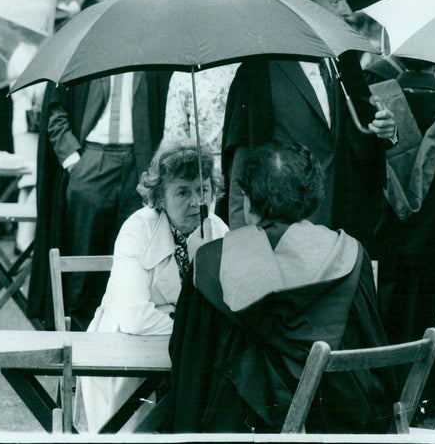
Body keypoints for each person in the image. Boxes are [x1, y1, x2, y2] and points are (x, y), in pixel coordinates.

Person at [159, 142, 398, 433]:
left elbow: (188, 366)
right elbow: (372, 349)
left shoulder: (213, 260)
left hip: (237, 428)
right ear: (312, 197)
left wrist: (206, 258)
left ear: (248, 201)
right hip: (335, 423)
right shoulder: (349, 253)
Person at [27, 0, 173, 330]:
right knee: (81, 262)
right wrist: (74, 159)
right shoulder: (84, 44)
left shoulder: (157, 45)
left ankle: (122, 345)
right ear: (106, 1)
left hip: (140, 165)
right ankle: (73, 346)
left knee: (133, 263)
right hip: (92, 162)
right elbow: (54, 108)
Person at [221, 0, 397, 250]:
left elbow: (361, 138)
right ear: (304, 3)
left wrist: (385, 130)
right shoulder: (260, 70)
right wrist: (243, 244)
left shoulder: (345, 59)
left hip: (342, 231)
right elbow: (242, 161)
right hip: (282, 236)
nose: (347, 10)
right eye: (337, 0)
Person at [74, 143, 228, 433]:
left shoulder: (217, 230)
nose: (197, 201)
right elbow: (134, 317)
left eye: (203, 189)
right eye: (183, 192)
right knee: (134, 428)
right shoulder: (137, 229)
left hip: (186, 357)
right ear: (159, 197)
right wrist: (196, 332)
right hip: (129, 355)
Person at [367, 58, 435, 422]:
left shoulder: (376, 98)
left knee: (387, 316)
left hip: (387, 240)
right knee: (430, 315)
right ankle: (423, 398)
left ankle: (386, 396)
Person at [161, 63, 239, 172]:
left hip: (207, 170)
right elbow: (175, 139)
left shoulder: (183, 75)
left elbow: (174, 140)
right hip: (205, 168)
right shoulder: (183, 76)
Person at [7, 42, 44, 255]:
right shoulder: (24, 52)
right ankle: (24, 239)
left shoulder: (27, 50)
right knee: (33, 178)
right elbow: (29, 88)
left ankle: (23, 236)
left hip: (27, 125)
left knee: (29, 181)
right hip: (27, 125)